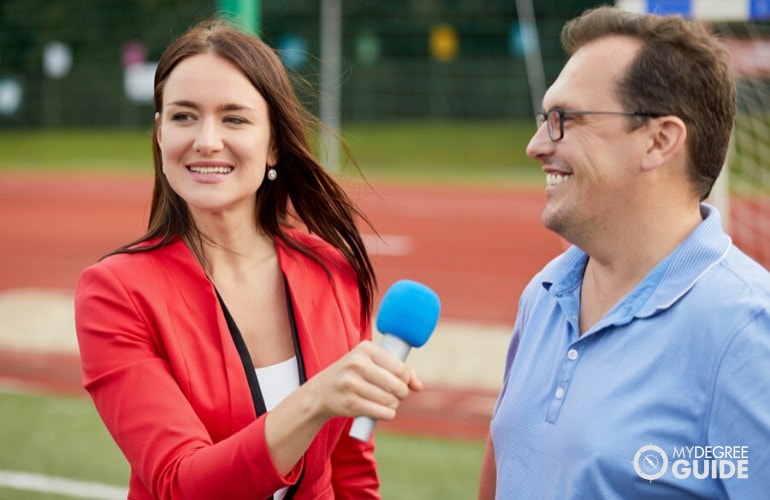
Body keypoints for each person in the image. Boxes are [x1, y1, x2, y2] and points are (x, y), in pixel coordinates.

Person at [74, 18, 422, 500]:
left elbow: (349, 461)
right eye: (183, 116)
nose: (207, 140)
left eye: (234, 118)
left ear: (273, 141)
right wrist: (315, 400)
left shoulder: (332, 271)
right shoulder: (116, 292)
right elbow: (180, 484)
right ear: (159, 134)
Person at [479, 6, 770, 499]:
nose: (535, 145)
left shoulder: (746, 331)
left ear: (659, 140)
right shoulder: (544, 295)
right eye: (544, 119)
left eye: (564, 120)